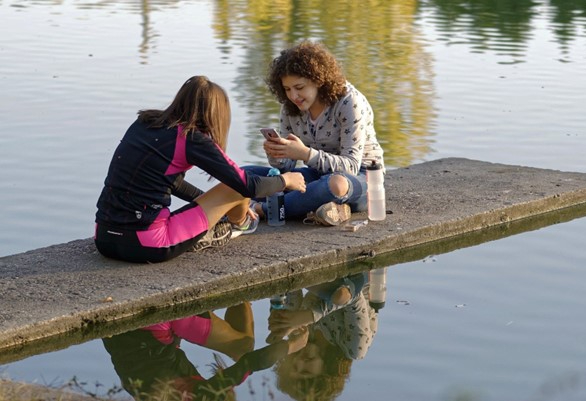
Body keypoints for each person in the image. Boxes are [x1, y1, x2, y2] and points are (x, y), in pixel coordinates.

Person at [94, 76, 306, 263]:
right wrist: (287, 180)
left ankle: (224, 219)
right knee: (236, 189)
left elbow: (171, 182)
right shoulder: (192, 138)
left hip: (103, 237)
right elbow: (248, 186)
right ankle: (239, 225)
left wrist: (216, 206)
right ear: (215, 115)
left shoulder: (144, 122)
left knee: (234, 189)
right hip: (149, 244)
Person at [245, 40, 384, 226]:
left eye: (299, 88)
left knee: (336, 184)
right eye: (287, 89)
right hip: (315, 174)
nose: (293, 96)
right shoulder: (290, 107)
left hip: (361, 177)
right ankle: (325, 208)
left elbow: (350, 166)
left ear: (318, 80)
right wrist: (277, 154)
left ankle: (264, 209)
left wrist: (304, 154)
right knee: (244, 174)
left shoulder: (349, 102)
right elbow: (286, 170)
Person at [103, 302, 309, 401]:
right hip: (116, 333)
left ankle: (240, 294)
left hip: (157, 323)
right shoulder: (145, 396)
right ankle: (239, 299)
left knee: (243, 349)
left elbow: (254, 362)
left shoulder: (204, 398)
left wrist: (292, 347)